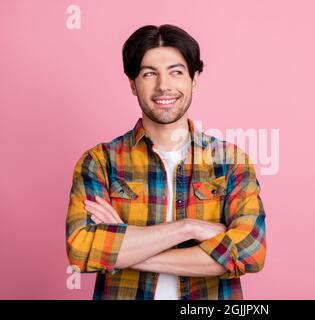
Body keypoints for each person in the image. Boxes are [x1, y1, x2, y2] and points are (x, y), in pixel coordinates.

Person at [65, 24, 266, 300]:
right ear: (133, 84)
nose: (164, 86)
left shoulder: (231, 162)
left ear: (194, 79)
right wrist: (189, 228)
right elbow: (82, 248)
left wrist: (123, 249)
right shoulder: (99, 162)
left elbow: (249, 251)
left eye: (176, 72)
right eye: (149, 73)